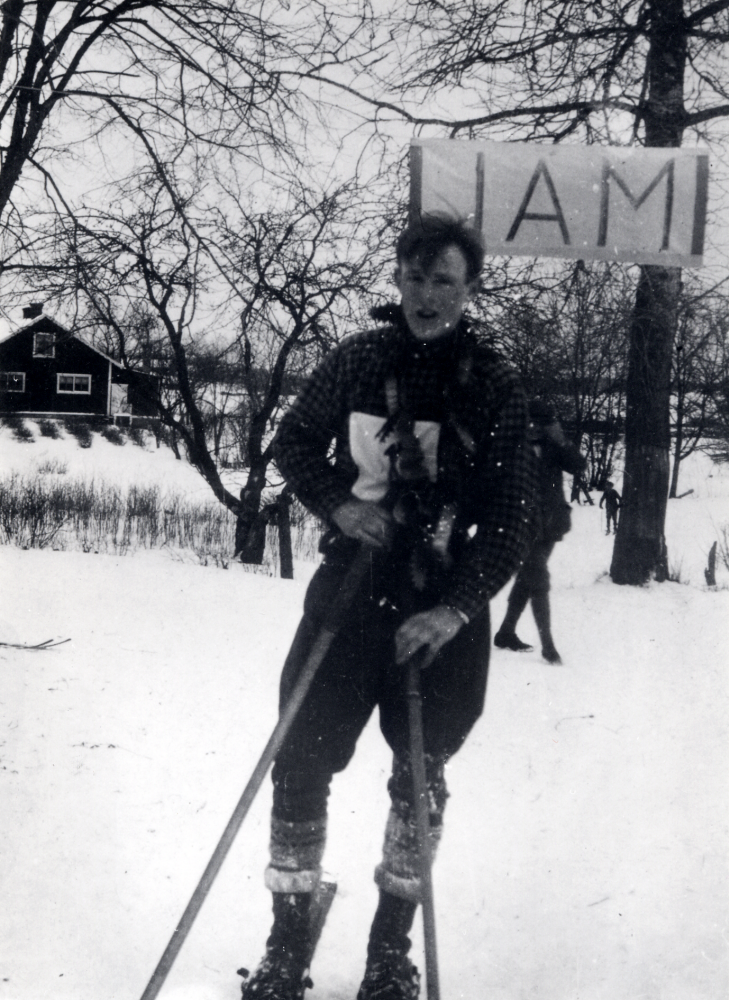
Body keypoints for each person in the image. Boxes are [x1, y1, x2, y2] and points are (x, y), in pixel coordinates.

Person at [239, 215, 536, 1000]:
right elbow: (294, 443)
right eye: (414, 277)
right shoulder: (358, 359)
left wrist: (455, 610)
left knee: (419, 780)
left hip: (438, 614)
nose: (426, 295)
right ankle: (285, 938)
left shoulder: (494, 383)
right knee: (300, 759)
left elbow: (511, 517)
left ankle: (387, 953)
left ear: (470, 289)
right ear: (396, 278)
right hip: (349, 595)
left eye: (444, 281)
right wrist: (337, 505)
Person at [493, 401, 586, 665]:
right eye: (530, 422)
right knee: (538, 577)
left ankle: (506, 632)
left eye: (541, 424)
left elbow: (579, 466)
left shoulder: (552, 447)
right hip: (520, 523)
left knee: (529, 577)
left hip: (550, 524)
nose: (534, 428)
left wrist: (562, 441)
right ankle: (549, 647)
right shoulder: (509, 446)